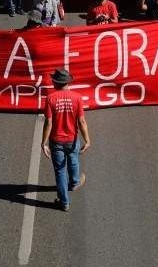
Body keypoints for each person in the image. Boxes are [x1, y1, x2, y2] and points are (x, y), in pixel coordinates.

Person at [41, 68, 89, 212]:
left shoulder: (50, 99)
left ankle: (64, 202)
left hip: (56, 141)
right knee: (73, 160)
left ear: (55, 82)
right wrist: (87, 140)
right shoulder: (77, 98)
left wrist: (43, 143)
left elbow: (48, 122)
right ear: (68, 82)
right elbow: (81, 121)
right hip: (72, 139)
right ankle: (74, 182)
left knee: (60, 171)